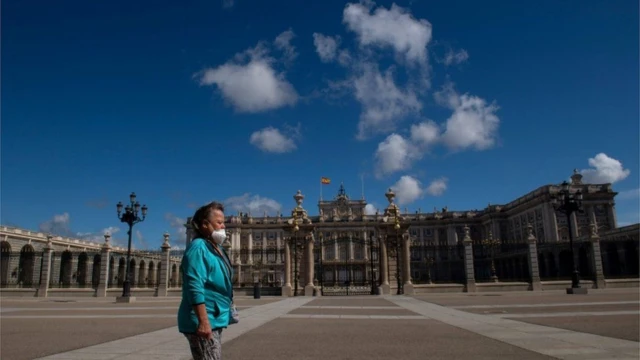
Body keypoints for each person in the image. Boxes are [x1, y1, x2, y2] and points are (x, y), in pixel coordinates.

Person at [178, 201, 234, 360]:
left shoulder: (215, 247)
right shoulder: (198, 248)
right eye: (219, 222)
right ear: (204, 224)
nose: (223, 226)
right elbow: (194, 286)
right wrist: (203, 321)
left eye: (224, 223)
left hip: (214, 317)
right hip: (203, 319)